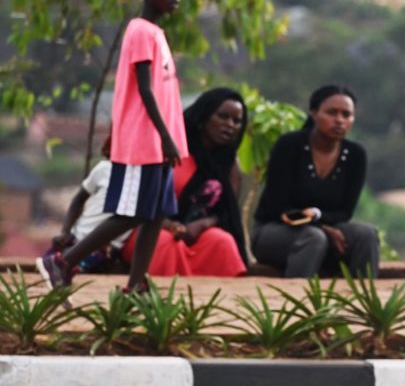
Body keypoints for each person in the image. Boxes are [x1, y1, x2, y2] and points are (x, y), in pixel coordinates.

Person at [37, 0, 187, 292]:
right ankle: (64, 261)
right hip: (145, 143)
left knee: (156, 213)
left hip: (160, 144)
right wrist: (165, 136)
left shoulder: (156, 33)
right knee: (133, 213)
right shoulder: (140, 30)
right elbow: (144, 89)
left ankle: (135, 285)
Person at [251, 85, 378, 278]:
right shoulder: (289, 145)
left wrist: (319, 220)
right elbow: (277, 207)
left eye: (346, 115)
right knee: (313, 237)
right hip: (274, 231)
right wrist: (321, 227)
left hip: (326, 230)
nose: (339, 120)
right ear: (314, 113)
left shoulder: (355, 155)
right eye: (331, 113)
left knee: (366, 235)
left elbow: (345, 212)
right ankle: (296, 294)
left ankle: (363, 295)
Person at [121, 87, 249, 277]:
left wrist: (203, 224)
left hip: (197, 232)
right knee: (165, 243)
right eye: (223, 117)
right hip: (153, 228)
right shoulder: (170, 150)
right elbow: (140, 202)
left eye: (237, 121)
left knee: (221, 241)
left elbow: (227, 212)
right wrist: (170, 225)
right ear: (204, 116)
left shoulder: (229, 164)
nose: (230, 125)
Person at [48, 134, 131, 274]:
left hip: (104, 250)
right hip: (77, 237)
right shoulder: (104, 168)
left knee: (63, 271)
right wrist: (65, 231)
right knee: (47, 268)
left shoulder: (143, 179)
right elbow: (79, 199)